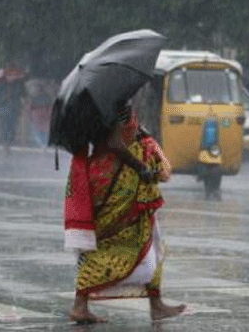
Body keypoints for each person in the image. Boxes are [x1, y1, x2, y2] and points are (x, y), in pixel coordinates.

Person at [63, 103, 186, 324]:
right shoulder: (111, 105)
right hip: (118, 181)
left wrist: (141, 132)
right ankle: (80, 305)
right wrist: (140, 166)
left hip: (113, 179)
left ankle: (155, 303)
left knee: (147, 239)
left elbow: (120, 136)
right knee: (113, 242)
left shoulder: (105, 103)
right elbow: (114, 142)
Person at [0, 62, 25, 156]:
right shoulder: (1, 83)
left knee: (12, 127)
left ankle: (9, 142)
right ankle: (6, 145)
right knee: (5, 126)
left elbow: (24, 94)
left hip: (14, 107)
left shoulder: (19, 84)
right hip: (4, 107)